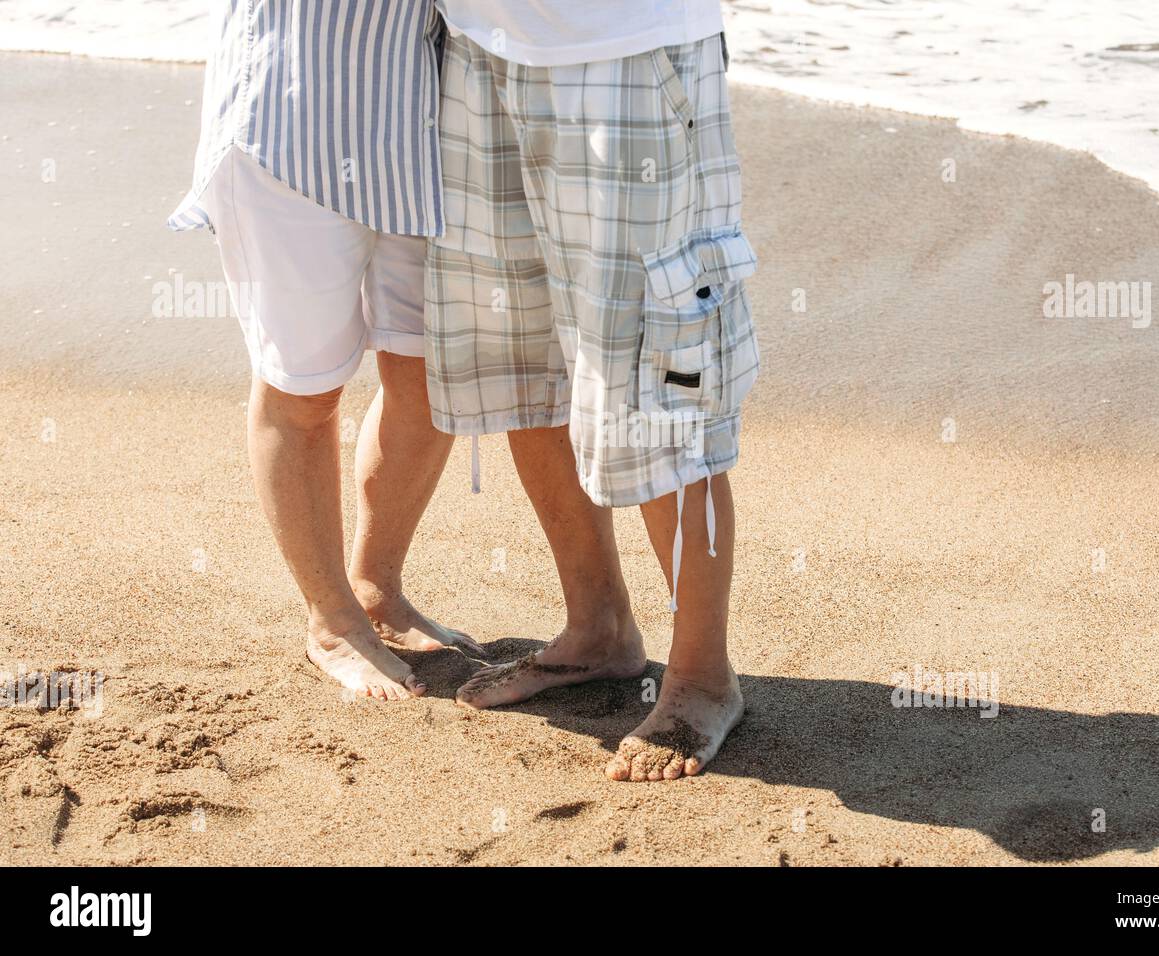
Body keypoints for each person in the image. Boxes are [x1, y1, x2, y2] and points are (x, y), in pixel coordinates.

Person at [426, 1, 760, 779]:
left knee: (663, 386)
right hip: (480, 46)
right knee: (526, 354)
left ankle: (703, 675)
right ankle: (598, 628)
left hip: (623, 50)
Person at [170, 0, 482, 701]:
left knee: (433, 377)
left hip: (418, 120)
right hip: (291, 126)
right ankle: (333, 620)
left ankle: (377, 590)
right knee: (304, 390)